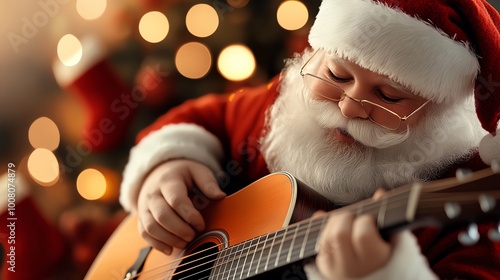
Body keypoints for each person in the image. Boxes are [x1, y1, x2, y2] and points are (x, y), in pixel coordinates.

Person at [119, 0, 500, 279]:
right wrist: (167, 166)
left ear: (440, 112)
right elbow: (208, 116)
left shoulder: (472, 219)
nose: (351, 106)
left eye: (388, 96)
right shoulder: (286, 106)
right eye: (336, 74)